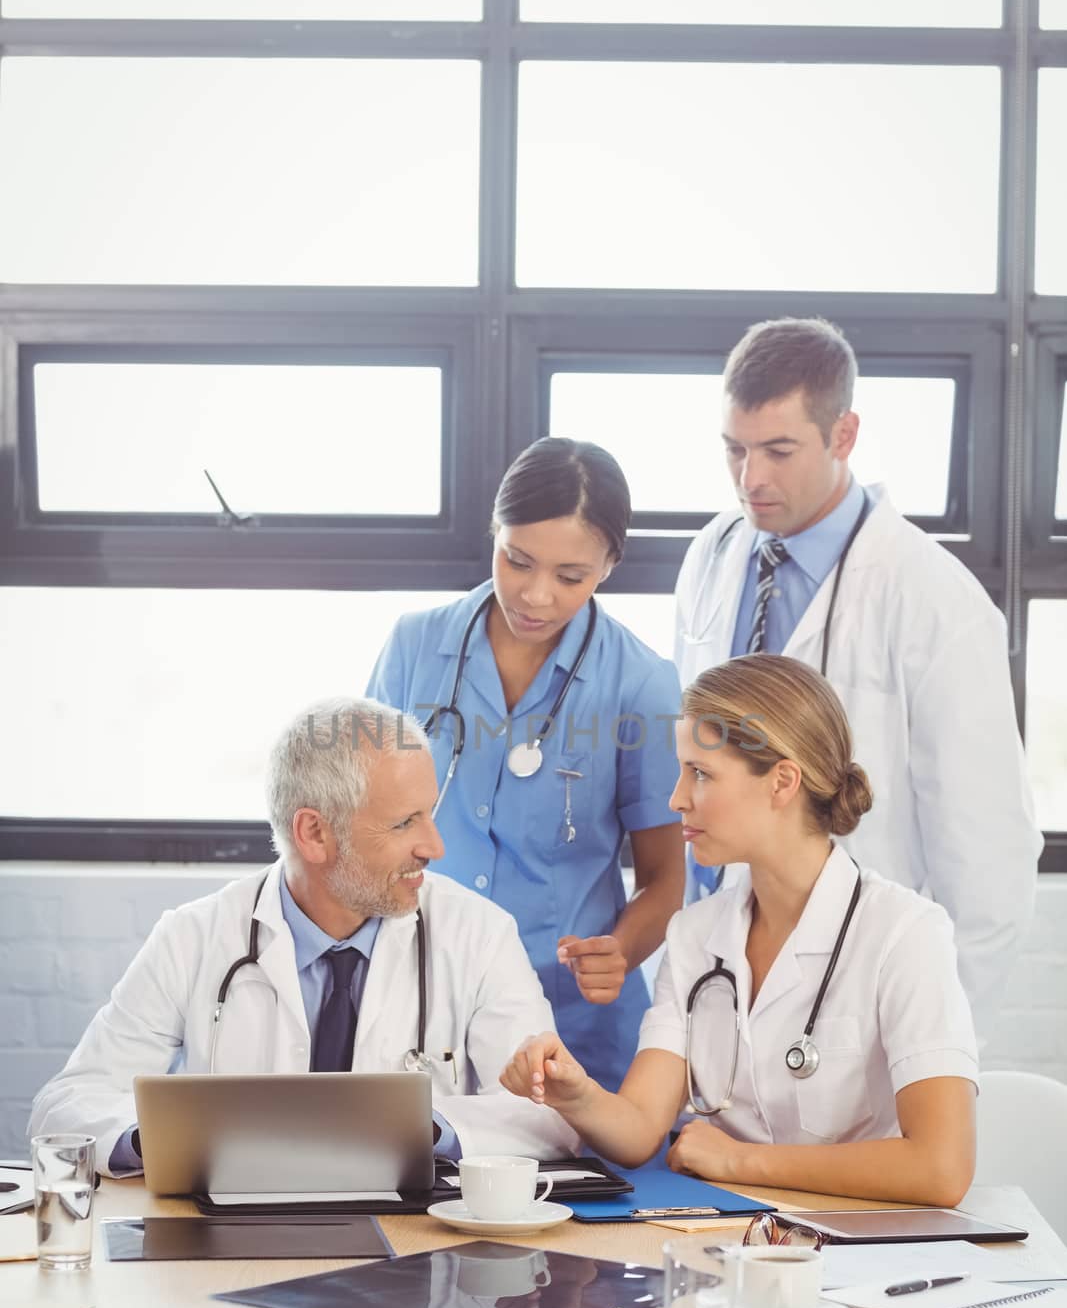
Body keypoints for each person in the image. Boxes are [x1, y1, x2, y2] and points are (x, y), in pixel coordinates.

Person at [501, 656, 979, 1207]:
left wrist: (739, 1160)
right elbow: (638, 1129)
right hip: (722, 1253)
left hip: (861, 1256)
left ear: (782, 782)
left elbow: (941, 1168)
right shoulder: (695, 935)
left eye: (700, 773)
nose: (676, 798)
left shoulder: (905, 933)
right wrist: (577, 1094)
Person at [674, 317, 1041, 1033]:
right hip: (718, 963)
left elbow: (987, 857)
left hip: (861, 981)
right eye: (734, 450)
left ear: (842, 435)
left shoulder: (932, 597)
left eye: (778, 450)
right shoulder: (713, 555)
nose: (751, 479)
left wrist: (928, 1041)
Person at [30, 697, 580, 1174]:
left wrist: (423, 1127)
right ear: (314, 833)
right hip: (230, 1233)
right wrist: (162, 1140)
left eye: (429, 814)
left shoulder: (478, 935)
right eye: (403, 823)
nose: (434, 847)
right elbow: (66, 1104)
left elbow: (550, 1114)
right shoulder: (194, 937)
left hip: (415, 1240)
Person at [367, 437, 685, 1091]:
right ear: (495, 532)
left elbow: (663, 880)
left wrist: (621, 951)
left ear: (609, 565)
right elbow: (361, 817)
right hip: (418, 994)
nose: (535, 596)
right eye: (517, 560)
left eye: (570, 577)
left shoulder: (640, 685)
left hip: (568, 1020)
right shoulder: (414, 645)